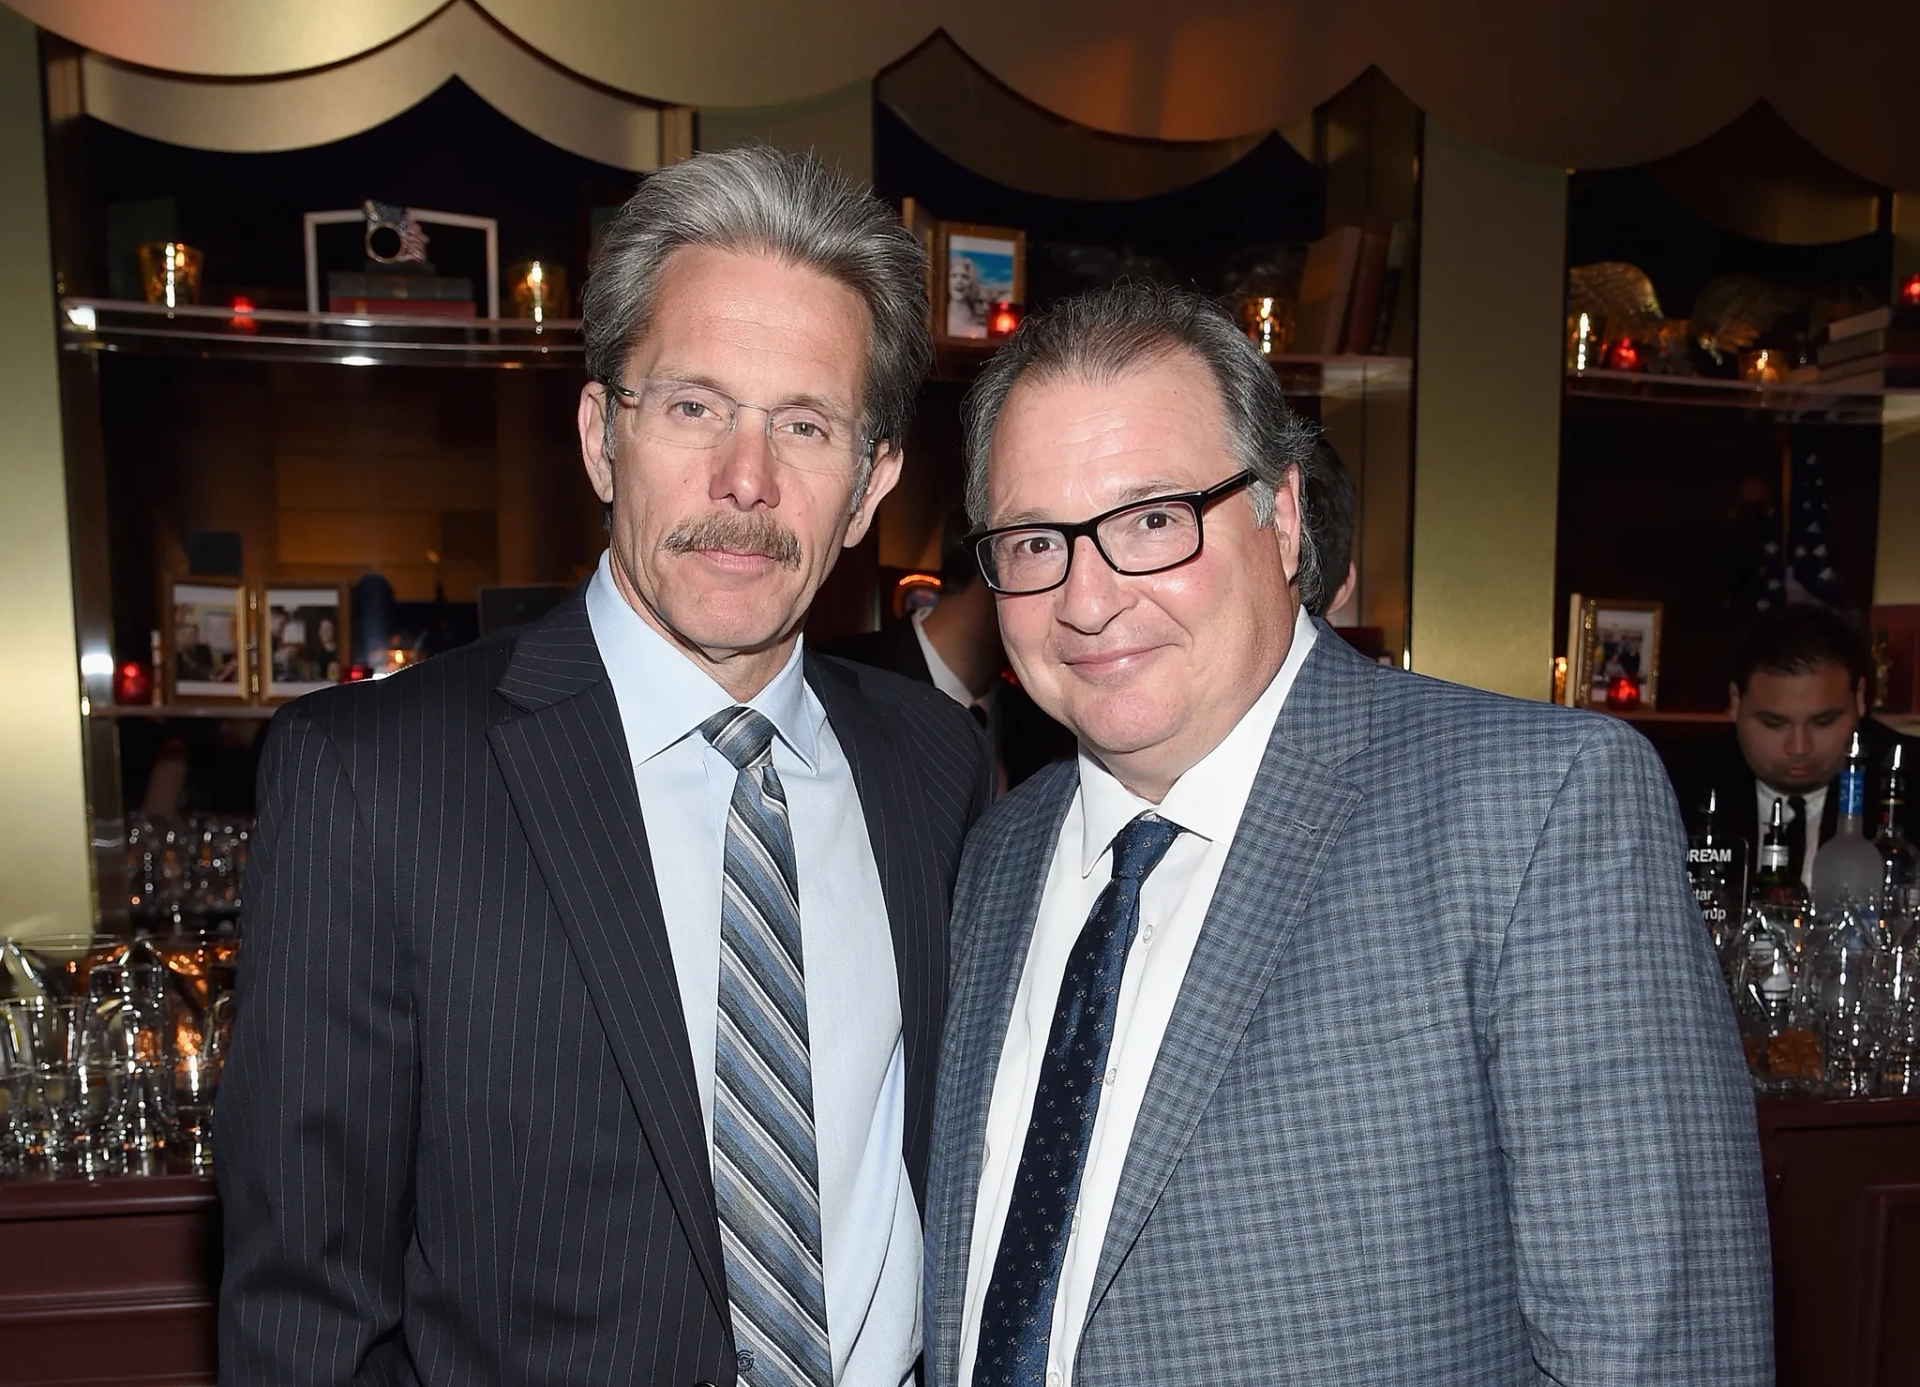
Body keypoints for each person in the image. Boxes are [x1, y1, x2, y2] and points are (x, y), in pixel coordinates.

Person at [220, 147, 993, 1387]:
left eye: (806, 424)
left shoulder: (935, 766)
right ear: (600, 436)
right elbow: (306, 1313)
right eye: (693, 406)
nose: (746, 480)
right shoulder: (370, 783)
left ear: (871, 485)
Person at [922, 282, 1771, 1386]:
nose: (1088, 598)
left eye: (1151, 521)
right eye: (1036, 540)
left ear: (1282, 516)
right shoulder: (1001, 851)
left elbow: (1665, 1354)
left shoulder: (1534, 810)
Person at [821, 515, 1074, 790]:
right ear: (988, 571)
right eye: (1035, 552)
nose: (1074, 608)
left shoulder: (1037, 720)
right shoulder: (835, 685)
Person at [1682, 603, 1918, 889]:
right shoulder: (1678, 785)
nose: (1799, 747)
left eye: (1823, 722)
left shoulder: (1911, 778)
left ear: (1859, 698)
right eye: (1774, 724)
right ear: (1735, 701)